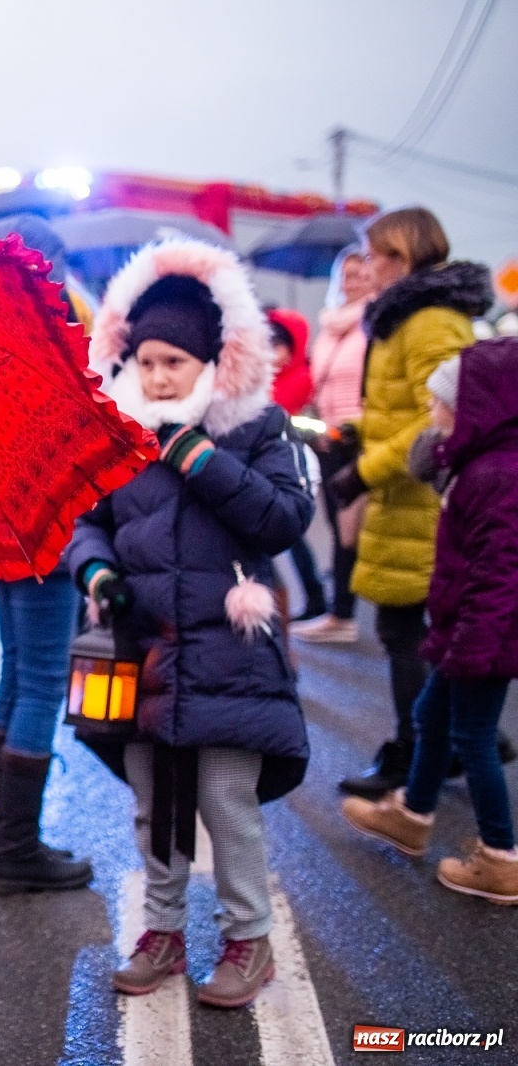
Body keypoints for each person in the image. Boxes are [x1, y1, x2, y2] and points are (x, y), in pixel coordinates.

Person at [71, 240, 313, 1010]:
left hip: (231, 657)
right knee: (154, 804)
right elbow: (89, 522)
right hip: (143, 656)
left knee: (225, 800)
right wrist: (96, 569)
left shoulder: (255, 431)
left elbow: (283, 517)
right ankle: (164, 930)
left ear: (212, 360)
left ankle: (249, 939)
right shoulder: (124, 441)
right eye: (145, 362)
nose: (158, 377)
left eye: (174, 361)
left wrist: (200, 457)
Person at [341, 339, 518, 904]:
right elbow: (427, 463)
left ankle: (501, 857)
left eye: (444, 404)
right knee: (431, 716)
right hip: (467, 628)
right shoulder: (478, 465)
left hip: (485, 636)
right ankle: (414, 816)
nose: (433, 414)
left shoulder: (497, 476)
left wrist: (472, 642)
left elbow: (500, 575)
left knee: (473, 736)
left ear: (479, 411)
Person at [330, 208, 492, 799]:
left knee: (407, 630)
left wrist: (364, 471)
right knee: (424, 632)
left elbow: (440, 415)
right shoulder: (407, 317)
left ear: (400, 257)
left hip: (421, 498)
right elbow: (405, 406)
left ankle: (417, 752)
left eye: (373, 256)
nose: (367, 268)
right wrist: (361, 437)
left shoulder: (427, 321)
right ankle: (459, 736)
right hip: (407, 497)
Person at [0, 213, 93, 895]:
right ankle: (18, 844)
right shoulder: (52, 340)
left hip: (0, 526)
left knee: (18, 668)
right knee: (44, 679)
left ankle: (0, 832)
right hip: (49, 525)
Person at [292, 250, 375, 644]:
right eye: (347, 273)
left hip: (358, 436)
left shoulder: (375, 324)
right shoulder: (328, 327)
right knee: (335, 522)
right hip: (325, 436)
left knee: (348, 529)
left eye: (361, 274)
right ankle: (339, 610)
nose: (353, 281)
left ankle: (344, 613)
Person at [266, 307, 326, 622]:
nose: (272, 354)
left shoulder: (303, 380)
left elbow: (307, 425)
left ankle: (313, 596)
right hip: (268, 468)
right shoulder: (266, 381)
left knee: (290, 535)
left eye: (278, 346)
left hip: (293, 469)